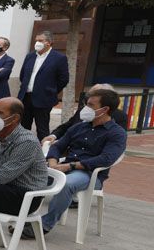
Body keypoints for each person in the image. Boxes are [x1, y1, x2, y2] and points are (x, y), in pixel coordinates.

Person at [31, 87, 126, 238]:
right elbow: (58, 145)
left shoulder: (116, 133)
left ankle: (44, 225)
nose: (85, 108)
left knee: (67, 184)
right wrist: (53, 161)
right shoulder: (79, 127)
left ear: (105, 109)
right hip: (64, 167)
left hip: (89, 175)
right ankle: (25, 216)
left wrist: (70, 166)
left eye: (90, 105)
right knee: (31, 175)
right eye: (85, 104)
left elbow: (106, 159)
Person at [18, 30, 70, 140]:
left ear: (49, 42)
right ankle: (23, 150)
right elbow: (23, 76)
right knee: (23, 127)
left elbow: (63, 79)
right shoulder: (30, 56)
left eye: (40, 40)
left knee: (42, 128)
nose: (37, 43)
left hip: (44, 98)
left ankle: (43, 153)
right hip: (26, 97)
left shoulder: (59, 58)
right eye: (36, 40)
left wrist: (51, 90)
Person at [45, 83, 128, 142]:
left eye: (93, 100)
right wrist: (53, 136)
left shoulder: (119, 118)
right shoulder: (83, 110)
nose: (88, 105)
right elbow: (67, 126)